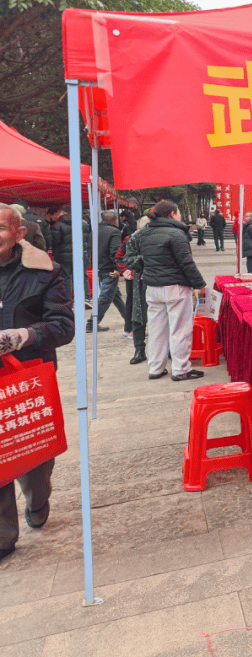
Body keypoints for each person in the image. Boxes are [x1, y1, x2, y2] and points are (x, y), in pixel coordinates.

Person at [0, 202, 74, 562]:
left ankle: (38, 498)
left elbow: (63, 326)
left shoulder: (45, 272)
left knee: (33, 458)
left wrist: (22, 336)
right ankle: (3, 537)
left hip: (27, 378)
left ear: (19, 233)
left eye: (0, 228)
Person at [140, 200, 207, 381]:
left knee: (156, 330)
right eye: (178, 213)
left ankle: (156, 368)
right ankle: (181, 369)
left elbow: (141, 259)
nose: (180, 216)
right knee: (180, 330)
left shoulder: (145, 232)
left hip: (153, 287)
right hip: (174, 287)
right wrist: (199, 284)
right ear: (172, 214)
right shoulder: (176, 233)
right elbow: (186, 262)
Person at [89, 212, 128, 332]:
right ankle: (91, 323)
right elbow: (115, 252)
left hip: (99, 266)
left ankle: (128, 318)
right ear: (115, 221)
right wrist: (118, 269)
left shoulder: (94, 231)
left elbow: (89, 249)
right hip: (109, 268)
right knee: (105, 297)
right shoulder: (114, 232)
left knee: (115, 295)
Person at [122, 215, 152, 364]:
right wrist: (145, 259)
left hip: (159, 280)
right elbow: (128, 259)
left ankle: (165, 350)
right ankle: (139, 349)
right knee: (138, 315)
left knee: (161, 318)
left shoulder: (168, 234)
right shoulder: (135, 237)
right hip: (140, 281)